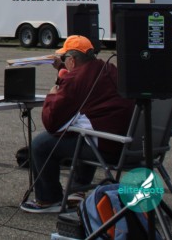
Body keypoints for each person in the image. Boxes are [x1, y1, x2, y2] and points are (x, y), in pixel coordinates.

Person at [20, 35, 135, 213]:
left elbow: (52, 123)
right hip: (130, 145)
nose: (64, 61)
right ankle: (77, 189)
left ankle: (48, 199)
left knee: (41, 145)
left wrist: (52, 94)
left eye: (64, 58)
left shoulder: (75, 79)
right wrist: (62, 70)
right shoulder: (109, 69)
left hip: (108, 148)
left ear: (72, 60)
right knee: (84, 130)